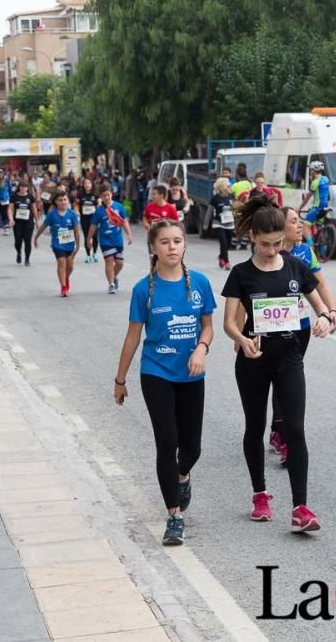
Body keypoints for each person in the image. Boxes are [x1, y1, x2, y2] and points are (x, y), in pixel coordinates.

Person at [221, 196, 332, 533]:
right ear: (253, 237)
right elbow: (229, 323)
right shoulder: (241, 274)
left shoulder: (296, 268)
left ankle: (301, 507)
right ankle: (260, 494)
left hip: (289, 358)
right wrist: (242, 340)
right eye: (266, 244)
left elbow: (320, 305)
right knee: (255, 428)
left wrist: (326, 318)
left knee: (294, 430)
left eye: (279, 243)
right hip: (253, 361)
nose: (273, 250)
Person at [113, 219, 215, 546]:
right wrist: (120, 379)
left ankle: (182, 475)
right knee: (166, 442)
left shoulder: (199, 284)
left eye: (177, 241)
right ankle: (174, 516)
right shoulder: (144, 289)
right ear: (154, 249)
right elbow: (132, 337)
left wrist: (201, 348)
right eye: (165, 242)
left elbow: (208, 327)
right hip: (156, 372)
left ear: (185, 245)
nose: (172, 247)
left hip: (191, 374)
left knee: (192, 448)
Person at [267, 206, 336, 466]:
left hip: (298, 325)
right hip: (269, 326)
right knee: (276, 378)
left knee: (288, 380)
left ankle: (283, 435)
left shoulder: (304, 251)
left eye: (300, 221)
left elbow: (321, 284)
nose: (300, 226)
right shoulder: (267, 251)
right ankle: (279, 430)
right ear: (280, 226)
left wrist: (331, 311)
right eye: (294, 221)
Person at [34, 189, 83, 297]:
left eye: (65, 200)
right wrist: (36, 238)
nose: (63, 202)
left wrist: (78, 247)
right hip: (57, 244)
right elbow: (43, 227)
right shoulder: (52, 214)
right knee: (61, 262)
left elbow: (77, 232)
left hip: (70, 244)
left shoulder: (72, 214)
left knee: (70, 266)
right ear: (56, 202)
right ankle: (63, 287)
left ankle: (66, 278)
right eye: (60, 200)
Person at [88, 183, 134, 294]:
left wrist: (129, 234)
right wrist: (89, 238)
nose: (106, 197)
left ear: (111, 194)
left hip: (117, 239)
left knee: (120, 263)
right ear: (101, 197)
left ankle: (114, 276)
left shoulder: (119, 207)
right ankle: (111, 284)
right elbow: (93, 225)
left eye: (108, 195)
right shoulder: (99, 211)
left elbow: (124, 221)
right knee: (109, 261)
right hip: (105, 240)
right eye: (104, 196)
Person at [8, 179, 39, 266]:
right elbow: (10, 209)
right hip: (17, 222)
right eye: (22, 186)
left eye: (25, 187)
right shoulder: (14, 196)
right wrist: (11, 219)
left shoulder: (30, 197)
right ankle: (19, 253)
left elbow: (34, 209)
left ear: (27, 188)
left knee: (27, 241)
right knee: (18, 241)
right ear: (19, 187)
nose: (23, 188)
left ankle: (27, 259)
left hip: (28, 222)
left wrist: (37, 221)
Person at [301, 160, 329, 247]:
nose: (310, 172)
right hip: (325, 207)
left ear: (313, 170)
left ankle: (311, 247)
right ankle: (323, 252)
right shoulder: (326, 179)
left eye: (311, 170)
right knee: (319, 226)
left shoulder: (315, 183)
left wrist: (300, 207)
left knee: (305, 226)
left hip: (317, 207)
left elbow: (307, 198)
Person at [211, 177, 235, 269]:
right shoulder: (215, 199)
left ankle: (221, 256)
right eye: (226, 185)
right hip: (218, 223)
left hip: (229, 223)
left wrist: (235, 212)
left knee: (228, 243)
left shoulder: (231, 196)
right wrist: (205, 224)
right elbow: (210, 211)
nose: (229, 186)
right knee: (223, 243)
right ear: (221, 187)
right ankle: (227, 262)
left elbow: (236, 208)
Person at [75, 177, 101, 263]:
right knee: (87, 236)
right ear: (83, 185)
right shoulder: (80, 194)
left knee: (95, 237)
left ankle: (95, 253)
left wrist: (98, 213)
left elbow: (99, 205)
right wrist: (77, 211)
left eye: (89, 183)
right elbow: (76, 205)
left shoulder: (96, 194)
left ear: (92, 184)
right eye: (85, 183)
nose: (87, 185)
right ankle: (88, 255)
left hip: (94, 219)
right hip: (84, 218)